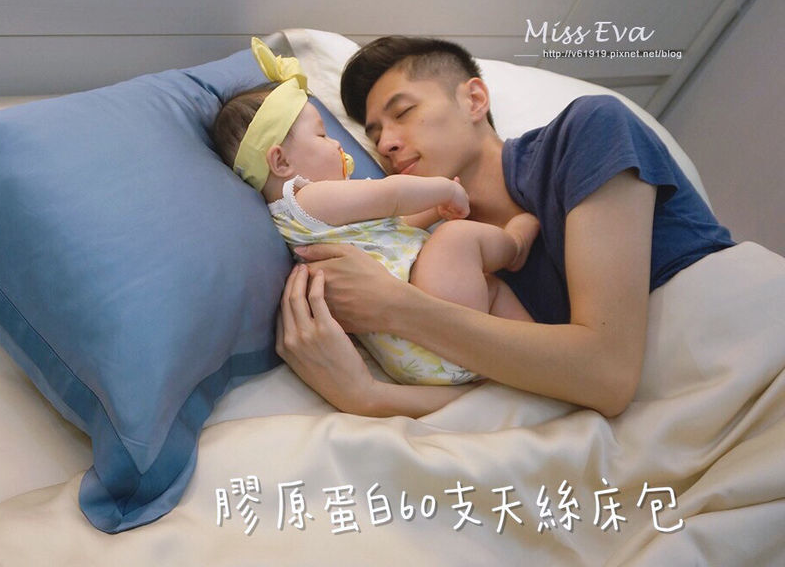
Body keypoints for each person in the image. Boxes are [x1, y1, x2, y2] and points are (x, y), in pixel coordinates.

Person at [277, 36, 735, 418]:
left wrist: (396, 307)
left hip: (733, 359)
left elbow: (606, 374)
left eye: (402, 113)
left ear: (474, 100)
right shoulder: (446, 262)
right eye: (374, 135)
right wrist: (366, 396)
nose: (386, 144)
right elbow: (514, 397)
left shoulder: (587, 132)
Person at [213, 38, 540, 386]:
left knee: (492, 289)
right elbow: (392, 195)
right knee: (456, 237)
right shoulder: (308, 198)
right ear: (280, 161)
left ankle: (535, 360)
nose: (337, 144)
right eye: (321, 136)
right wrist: (445, 189)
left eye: (402, 113)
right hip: (427, 324)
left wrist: (433, 211)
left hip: (416, 357)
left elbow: (394, 223)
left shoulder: (308, 220)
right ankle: (515, 246)